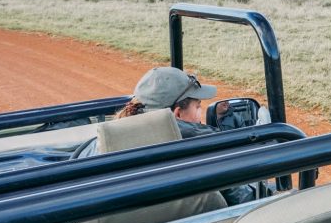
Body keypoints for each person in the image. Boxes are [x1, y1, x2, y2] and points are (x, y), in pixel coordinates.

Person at [76, 67, 260, 205]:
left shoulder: (97, 146)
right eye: (197, 107)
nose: (200, 114)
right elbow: (247, 198)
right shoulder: (201, 150)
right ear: (177, 114)